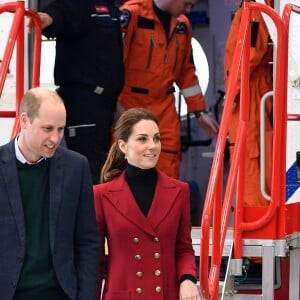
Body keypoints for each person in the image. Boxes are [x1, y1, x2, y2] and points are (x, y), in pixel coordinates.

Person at [0, 87, 100, 300]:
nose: (55, 138)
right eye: (47, 129)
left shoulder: (77, 167)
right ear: (24, 120)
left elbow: (88, 241)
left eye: (61, 129)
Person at [94, 108, 201, 299]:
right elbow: (95, 260)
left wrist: (188, 279)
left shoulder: (180, 191)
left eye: (157, 138)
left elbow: (183, 247)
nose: (153, 145)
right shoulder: (102, 195)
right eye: (143, 139)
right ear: (123, 146)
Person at [117, 0, 219, 179]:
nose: (188, 10)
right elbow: (112, 66)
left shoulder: (182, 26)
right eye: (187, 4)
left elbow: (186, 73)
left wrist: (199, 112)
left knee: (169, 170)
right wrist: (116, 108)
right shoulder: (131, 15)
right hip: (131, 107)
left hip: (165, 110)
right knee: (129, 171)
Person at [35, 0, 124, 184]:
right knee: (91, 173)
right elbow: (61, 13)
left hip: (105, 105)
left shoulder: (110, 8)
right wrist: (48, 18)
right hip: (83, 103)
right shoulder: (77, 4)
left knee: (103, 170)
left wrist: (113, 100)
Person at [224, 0, 274, 206]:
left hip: (249, 93)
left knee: (250, 160)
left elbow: (247, 56)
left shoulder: (255, 9)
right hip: (252, 90)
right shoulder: (256, 8)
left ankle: (255, 226)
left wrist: (232, 94)